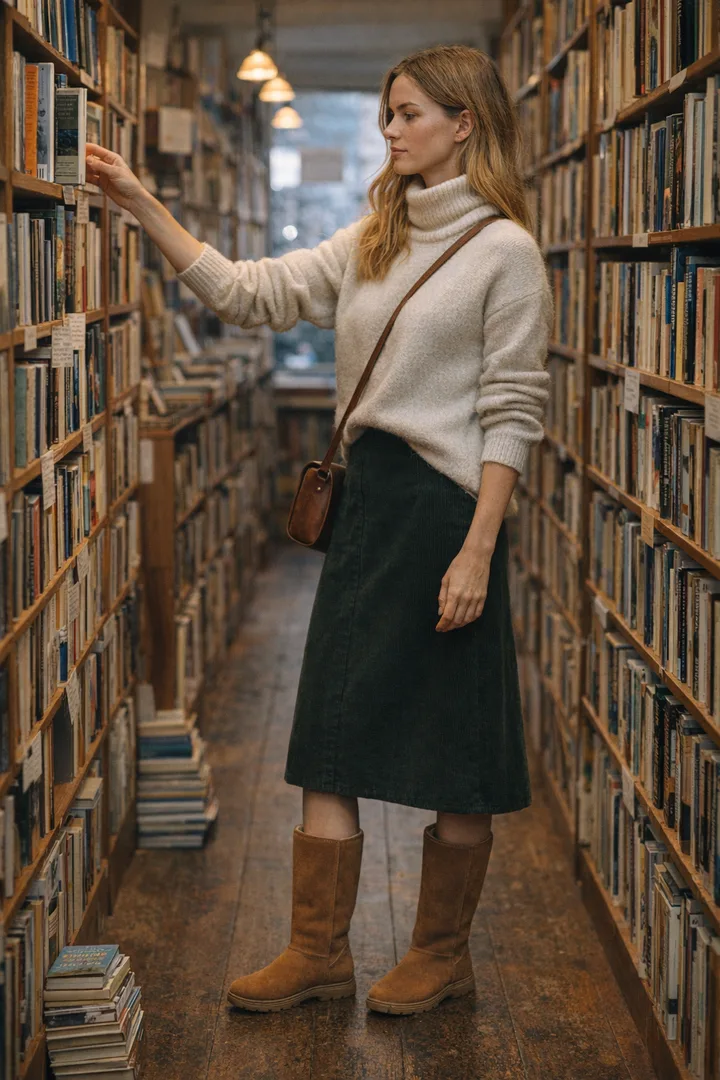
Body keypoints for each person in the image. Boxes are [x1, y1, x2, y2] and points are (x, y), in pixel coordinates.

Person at [86, 42, 551, 1017]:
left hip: (448, 514)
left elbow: (512, 409)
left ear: (465, 122)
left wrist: (479, 547)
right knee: (329, 733)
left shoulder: (506, 251)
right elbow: (248, 293)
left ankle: (440, 953)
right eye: (385, 113)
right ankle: (316, 954)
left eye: (408, 113)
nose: (390, 130)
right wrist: (138, 201)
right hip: (369, 505)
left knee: (456, 750)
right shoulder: (374, 234)